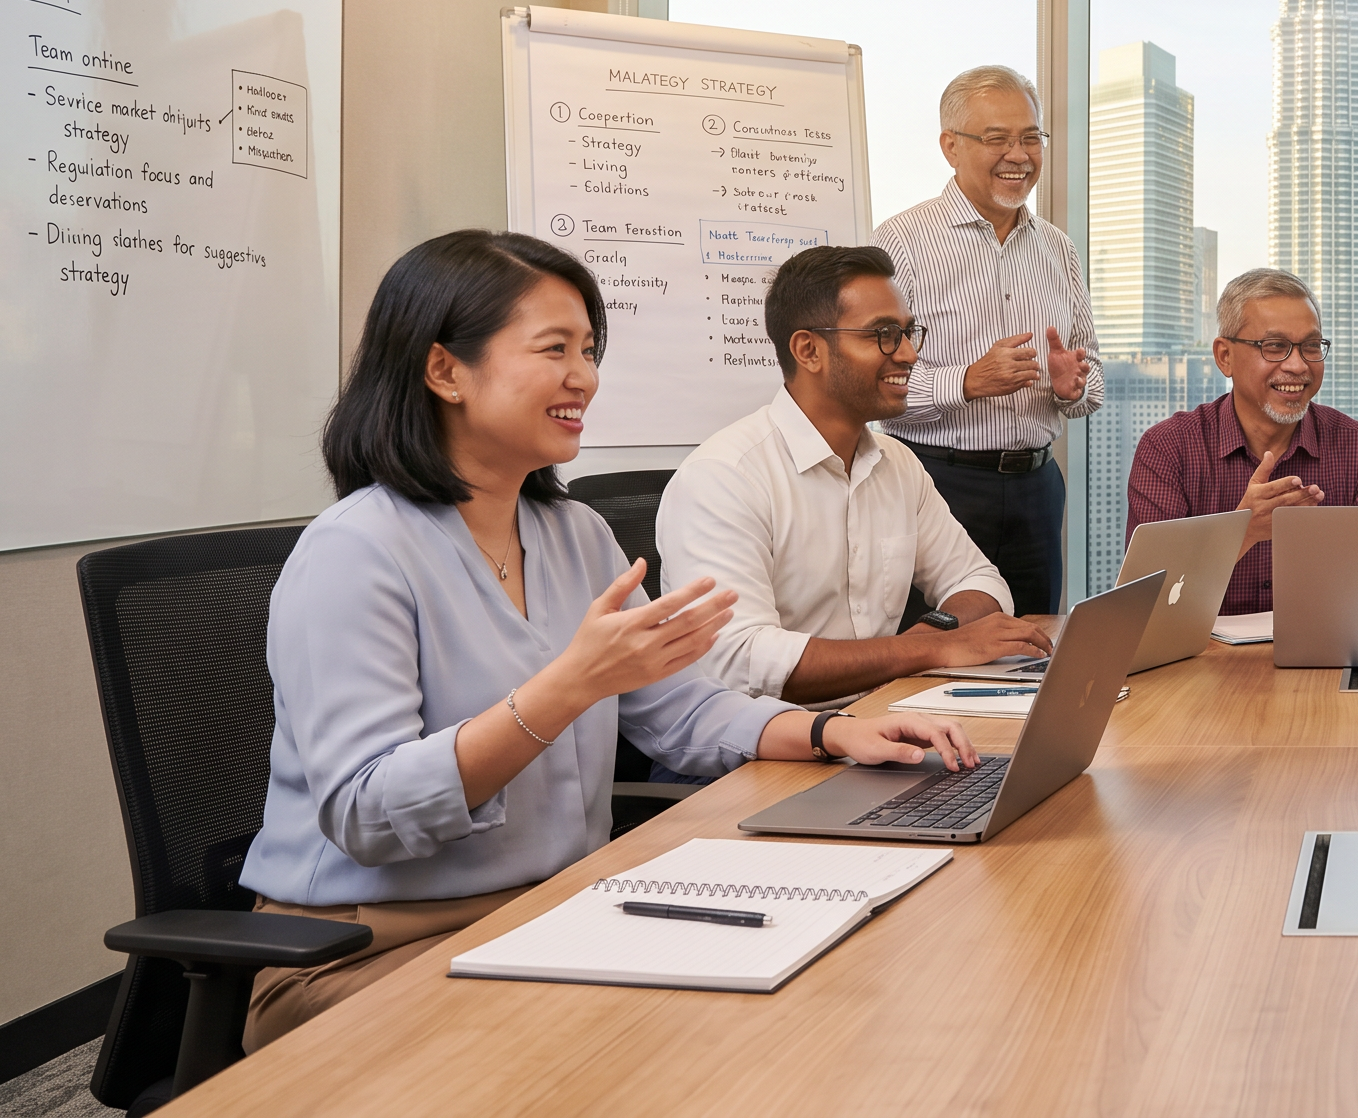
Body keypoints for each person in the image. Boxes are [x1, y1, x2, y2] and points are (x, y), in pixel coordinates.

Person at [239, 231, 978, 1049]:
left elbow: (677, 712)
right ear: (445, 370)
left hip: (555, 912)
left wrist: (834, 732)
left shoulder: (573, 533)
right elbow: (366, 811)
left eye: (589, 350)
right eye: (554, 349)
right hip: (360, 951)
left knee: (823, 990)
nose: (584, 377)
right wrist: (568, 688)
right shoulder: (356, 551)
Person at [660, 245, 1056, 709]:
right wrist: (928, 649)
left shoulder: (897, 463)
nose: (908, 354)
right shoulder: (723, 478)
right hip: (759, 752)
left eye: (909, 332)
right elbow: (745, 663)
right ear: (808, 350)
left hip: (881, 718)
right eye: (884, 335)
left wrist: (926, 641)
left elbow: (982, 583)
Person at [875, 65, 1102, 613]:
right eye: (997, 138)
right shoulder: (898, 242)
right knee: (926, 660)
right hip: (932, 484)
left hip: (1037, 489)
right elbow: (874, 381)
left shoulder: (1058, 249)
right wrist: (967, 381)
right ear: (950, 147)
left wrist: (1075, 387)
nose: (1019, 155)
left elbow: (1088, 374)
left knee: (1032, 650)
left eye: (1030, 138)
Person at [1125, 268, 1358, 615]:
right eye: (1275, 347)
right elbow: (1147, 604)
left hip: (1322, 660)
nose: (1299, 365)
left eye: (1311, 346)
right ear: (1225, 356)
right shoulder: (1168, 448)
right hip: (1203, 661)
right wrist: (1240, 532)